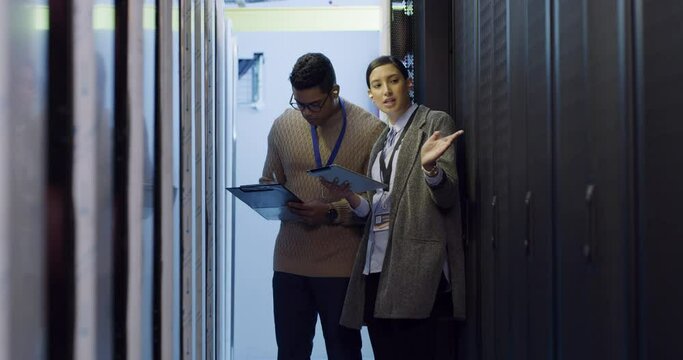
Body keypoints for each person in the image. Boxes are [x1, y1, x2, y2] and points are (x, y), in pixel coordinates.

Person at [330, 55, 466, 360]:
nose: (386, 91)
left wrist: (430, 169)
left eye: (393, 81)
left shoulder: (433, 123)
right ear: (370, 95)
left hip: (416, 266)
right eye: (377, 85)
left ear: (409, 83)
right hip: (377, 266)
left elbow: (447, 197)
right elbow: (373, 208)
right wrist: (350, 196)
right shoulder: (381, 140)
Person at [260, 52, 385, 360]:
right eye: (299, 104)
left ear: (335, 92)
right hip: (289, 262)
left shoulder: (370, 130)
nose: (306, 113)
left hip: (341, 268)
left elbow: (377, 202)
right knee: (290, 352)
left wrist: (331, 211)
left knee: (344, 353)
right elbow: (267, 180)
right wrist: (275, 200)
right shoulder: (282, 126)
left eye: (314, 104)